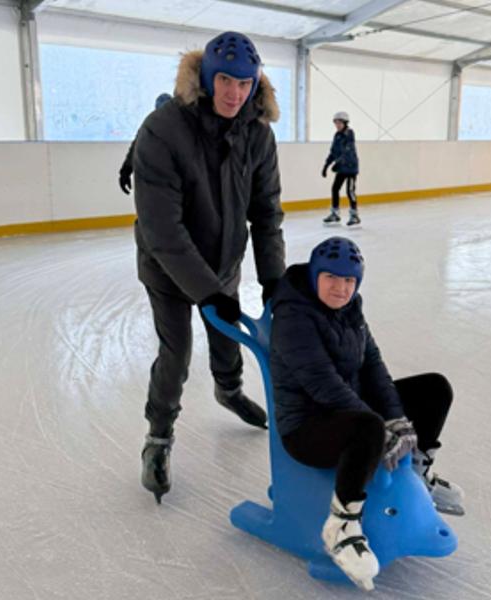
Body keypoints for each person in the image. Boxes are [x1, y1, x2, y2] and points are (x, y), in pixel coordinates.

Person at [133, 31, 286, 503]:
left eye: (244, 83)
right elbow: (162, 229)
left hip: (223, 261)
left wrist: (275, 279)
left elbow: (266, 212)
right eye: (224, 80)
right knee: (176, 351)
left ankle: (229, 389)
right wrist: (206, 290)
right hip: (167, 267)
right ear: (204, 77)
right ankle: (158, 437)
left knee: (228, 332)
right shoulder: (164, 129)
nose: (234, 93)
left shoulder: (257, 133)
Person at [269, 236, 464, 591]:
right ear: (315, 275)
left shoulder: (351, 307)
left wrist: (398, 420)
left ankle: (416, 473)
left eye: (349, 280)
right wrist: (381, 425)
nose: (341, 288)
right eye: (332, 278)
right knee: (368, 427)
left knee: (434, 389)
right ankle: (342, 524)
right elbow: (322, 384)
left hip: (348, 409)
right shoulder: (292, 316)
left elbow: (373, 367)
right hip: (307, 426)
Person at [118, 93, 172, 195]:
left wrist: (126, 171)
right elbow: (136, 147)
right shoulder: (149, 126)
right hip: (155, 181)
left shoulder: (150, 125)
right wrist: (126, 171)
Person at [321, 112, 360, 226]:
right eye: (336, 123)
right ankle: (335, 214)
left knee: (350, 191)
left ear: (345, 123)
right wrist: (326, 165)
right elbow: (333, 152)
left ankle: (354, 215)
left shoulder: (349, 133)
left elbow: (347, 150)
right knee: (335, 189)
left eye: (339, 122)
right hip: (341, 168)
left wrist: (338, 162)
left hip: (351, 168)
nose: (337, 125)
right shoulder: (337, 135)